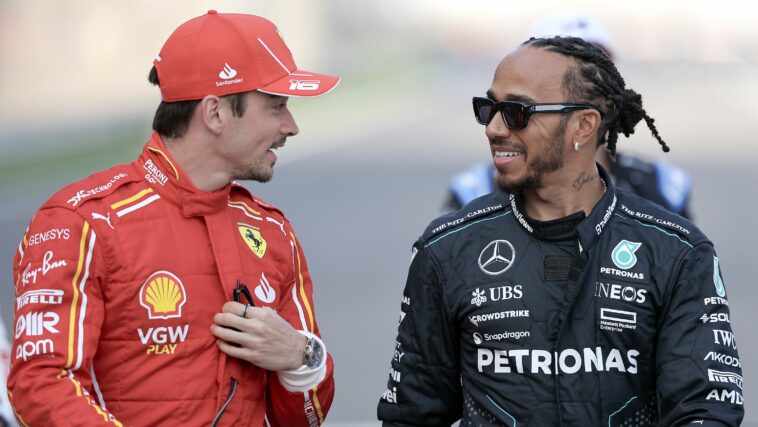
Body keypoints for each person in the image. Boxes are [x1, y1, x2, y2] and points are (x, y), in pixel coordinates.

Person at [378, 36, 743, 425]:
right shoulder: (446, 249)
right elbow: (411, 414)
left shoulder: (677, 251)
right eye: (488, 109)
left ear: (584, 126)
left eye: (517, 111)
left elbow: (706, 410)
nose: (494, 129)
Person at [9, 11, 339, 426]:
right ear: (215, 113)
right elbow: (42, 383)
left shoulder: (271, 231)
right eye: (276, 107)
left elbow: (304, 420)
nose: (291, 126)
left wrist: (301, 357)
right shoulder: (82, 222)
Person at [444, 13, 692, 219]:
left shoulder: (661, 185)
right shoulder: (473, 190)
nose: (577, 80)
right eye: (555, 65)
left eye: (593, 70)